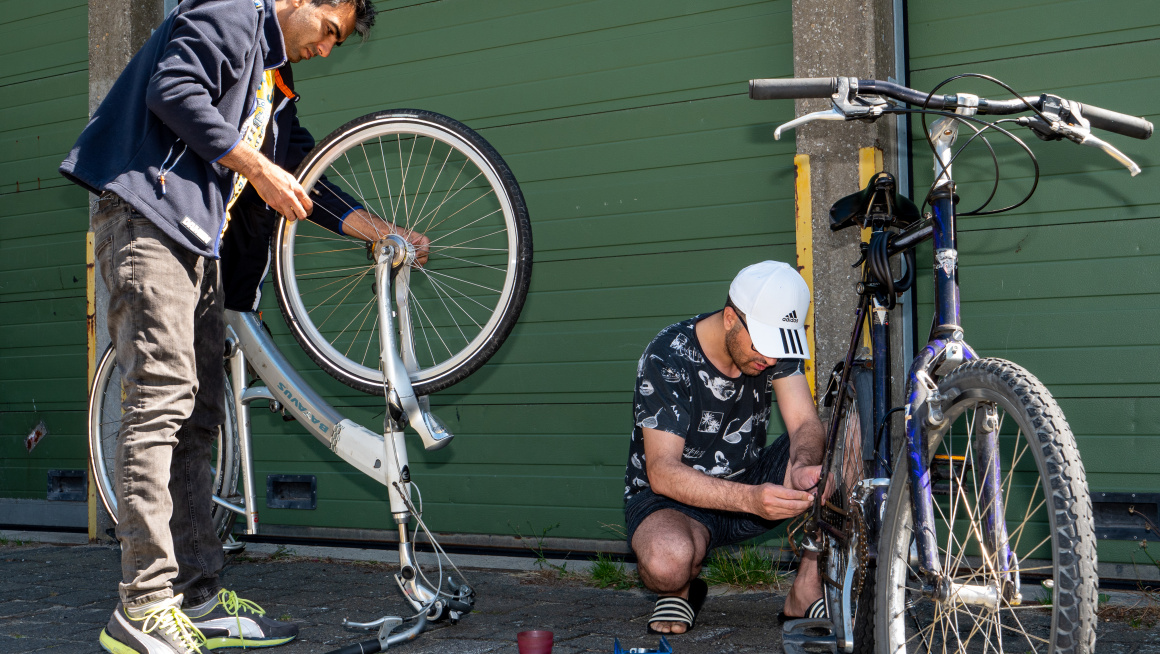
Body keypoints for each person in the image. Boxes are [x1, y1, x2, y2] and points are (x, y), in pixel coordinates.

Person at [60, 1, 425, 652]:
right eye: (330, 32)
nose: (327, 49)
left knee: (199, 420)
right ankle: (141, 606)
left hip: (198, 245)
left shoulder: (270, 84)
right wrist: (254, 167)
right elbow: (172, 88)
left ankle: (194, 598)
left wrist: (384, 232)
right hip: (147, 222)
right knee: (159, 406)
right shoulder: (232, 12)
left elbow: (301, 178)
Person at [624, 260, 827, 634]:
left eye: (778, 348)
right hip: (672, 499)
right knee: (666, 563)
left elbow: (804, 424)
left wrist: (803, 465)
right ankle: (681, 588)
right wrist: (751, 500)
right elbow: (662, 472)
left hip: (750, 482)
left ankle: (805, 588)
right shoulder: (668, 355)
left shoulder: (774, 352)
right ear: (731, 318)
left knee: (848, 435)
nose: (770, 359)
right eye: (763, 345)